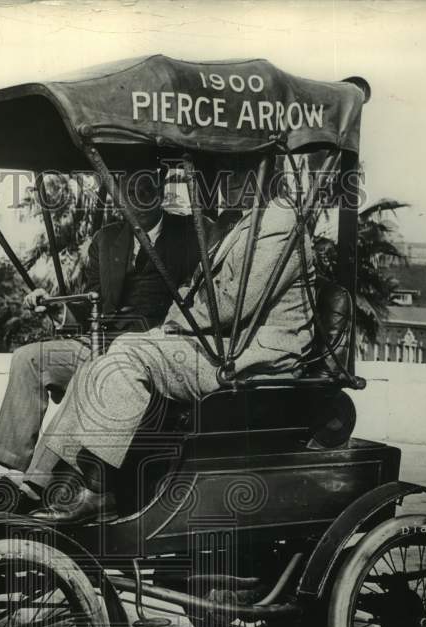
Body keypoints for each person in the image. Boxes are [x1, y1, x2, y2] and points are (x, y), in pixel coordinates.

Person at [27, 162, 316, 522]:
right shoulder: (238, 224)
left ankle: (98, 490)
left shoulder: (280, 221)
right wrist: (179, 319)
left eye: (237, 173)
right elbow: (193, 286)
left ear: (265, 176)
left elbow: (234, 302)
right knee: (109, 356)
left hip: (252, 359)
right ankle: (61, 480)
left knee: (126, 357)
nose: (224, 183)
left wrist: (177, 322)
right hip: (220, 345)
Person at [0, 170, 207, 501]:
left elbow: (200, 301)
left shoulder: (189, 236)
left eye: (146, 188)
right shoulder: (107, 240)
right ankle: (11, 472)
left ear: (161, 191)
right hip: (97, 342)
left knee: (93, 373)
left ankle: (36, 485)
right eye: (128, 190)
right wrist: (51, 306)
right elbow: (92, 306)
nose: (137, 197)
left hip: (148, 352)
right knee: (28, 359)